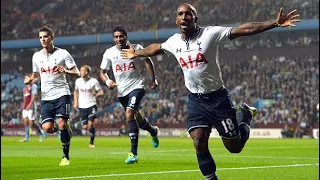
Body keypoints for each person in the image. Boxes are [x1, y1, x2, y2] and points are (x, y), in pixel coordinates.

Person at [121, 3, 300, 179]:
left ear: (195, 18)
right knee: (198, 141)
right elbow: (156, 48)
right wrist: (137, 53)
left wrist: (274, 23)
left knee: (234, 148)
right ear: (176, 20)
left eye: (188, 14)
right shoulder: (174, 42)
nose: (184, 17)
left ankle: (244, 115)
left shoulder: (210, 34)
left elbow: (243, 30)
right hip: (196, 101)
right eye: (180, 14)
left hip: (218, 99)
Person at [100, 26, 160, 164]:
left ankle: (133, 153)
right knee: (137, 118)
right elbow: (102, 72)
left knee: (129, 113)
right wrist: (108, 81)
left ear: (126, 37)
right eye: (116, 37)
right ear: (113, 38)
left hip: (137, 87)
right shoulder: (109, 53)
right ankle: (153, 131)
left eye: (121, 36)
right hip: (121, 92)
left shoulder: (136, 48)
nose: (119, 39)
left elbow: (147, 61)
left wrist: (153, 78)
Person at [24, 26, 80, 166]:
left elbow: (77, 72)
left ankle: (65, 156)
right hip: (46, 96)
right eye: (41, 37)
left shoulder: (63, 53)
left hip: (62, 93)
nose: (43, 39)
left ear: (52, 38)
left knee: (61, 122)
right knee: (47, 128)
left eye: (46, 36)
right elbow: (36, 74)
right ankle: (64, 129)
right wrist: (30, 80)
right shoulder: (36, 56)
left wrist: (66, 71)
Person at [74, 65, 103, 148]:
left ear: (86, 72)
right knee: (85, 126)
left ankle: (91, 142)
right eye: (80, 70)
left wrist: (96, 94)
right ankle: (91, 134)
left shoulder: (94, 81)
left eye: (82, 70)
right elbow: (75, 91)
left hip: (91, 104)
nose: (81, 72)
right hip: (82, 106)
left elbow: (101, 91)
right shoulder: (78, 81)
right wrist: (75, 102)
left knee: (90, 124)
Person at [19, 74, 46, 142]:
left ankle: (41, 133)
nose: (25, 79)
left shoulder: (33, 86)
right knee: (25, 122)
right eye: (24, 78)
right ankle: (26, 138)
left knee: (32, 123)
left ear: (30, 79)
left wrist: (29, 105)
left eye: (26, 78)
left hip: (31, 107)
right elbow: (24, 98)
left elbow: (33, 97)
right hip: (25, 107)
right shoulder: (25, 88)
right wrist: (23, 105)